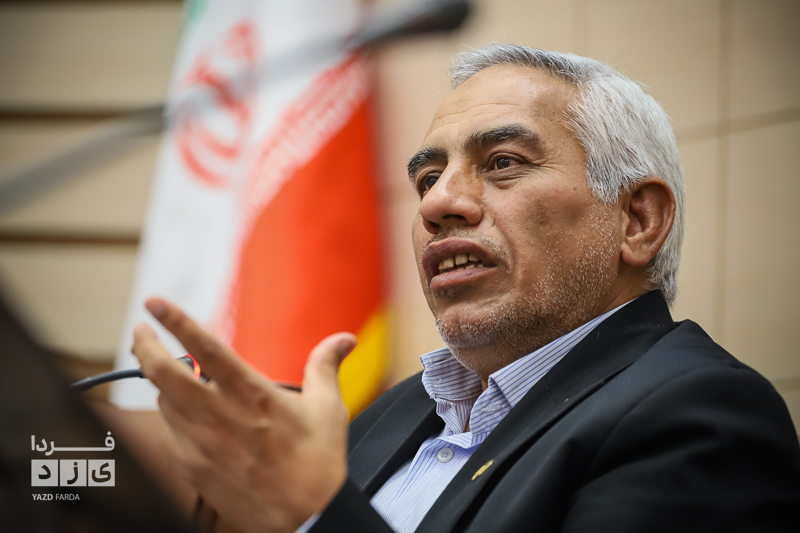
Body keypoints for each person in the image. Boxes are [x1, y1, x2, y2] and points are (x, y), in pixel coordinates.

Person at [131, 44, 800, 533]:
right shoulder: (394, 411)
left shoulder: (699, 416)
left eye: (502, 162)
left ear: (637, 220)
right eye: (427, 179)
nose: (436, 203)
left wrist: (311, 511)